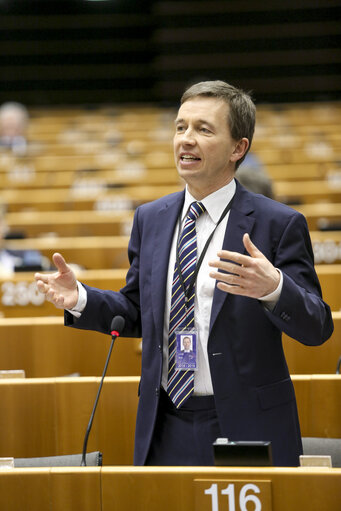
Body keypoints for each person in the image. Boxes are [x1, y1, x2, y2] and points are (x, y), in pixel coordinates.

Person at [35, 80, 333, 467]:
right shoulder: (151, 218)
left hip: (247, 419)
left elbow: (317, 327)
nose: (186, 139)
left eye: (203, 129)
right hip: (165, 421)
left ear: (238, 148)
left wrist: (274, 288)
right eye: (180, 127)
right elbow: (137, 310)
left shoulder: (278, 223)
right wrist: (82, 299)